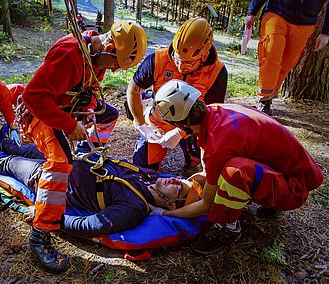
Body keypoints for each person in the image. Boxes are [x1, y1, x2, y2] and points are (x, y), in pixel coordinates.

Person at [20, 21, 147, 273]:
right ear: (108, 47)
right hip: (41, 114)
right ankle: (39, 235)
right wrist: (68, 125)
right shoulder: (70, 55)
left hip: (62, 110)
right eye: (114, 63)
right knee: (60, 165)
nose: (111, 71)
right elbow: (32, 96)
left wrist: (86, 111)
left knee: (107, 114)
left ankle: (82, 152)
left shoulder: (95, 58)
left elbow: (85, 91)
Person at [150, 79, 324, 255]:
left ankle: (227, 226)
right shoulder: (216, 110)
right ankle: (269, 194)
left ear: (180, 123)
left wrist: (166, 214)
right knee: (229, 170)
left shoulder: (218, 144)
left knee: (235, 172)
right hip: (291, 173)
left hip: (294, 189)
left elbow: (207, 205)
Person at [0, 129, 201, 238]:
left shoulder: (134, 208)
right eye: (181, 181)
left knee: (8, 164)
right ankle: (8, 143)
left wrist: (51, 217)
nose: (175, 180)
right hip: (68, 161)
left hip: (50, 180)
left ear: (170, 205)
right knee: (29, 149)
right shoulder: (149, 176)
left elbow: (92, 225)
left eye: (178, 188)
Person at [126, 17, 227, 175]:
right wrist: (142, 125)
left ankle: (192, 161)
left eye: (188, 63)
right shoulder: (159, 59)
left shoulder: (217, 72)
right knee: (142, 169)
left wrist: (180, 133)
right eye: (177, 59)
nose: (180, 67)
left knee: (197, 160)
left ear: (204, 56)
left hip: (192, 128)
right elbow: (133, 89)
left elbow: (213, 111)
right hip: (159, 123)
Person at [245, 0, 329, 115]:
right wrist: (252, 12)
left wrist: (325, 32)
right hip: (276, 14)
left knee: (287, 64)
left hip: (305, 23)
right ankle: (264, 101)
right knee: (271, 56)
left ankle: (269, 97)